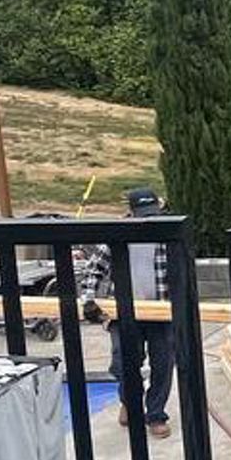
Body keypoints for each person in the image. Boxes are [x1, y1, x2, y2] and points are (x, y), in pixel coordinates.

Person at [73, 187, 179, 440]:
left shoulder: (166, 235)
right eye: (143, 214)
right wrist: (88, 302)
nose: (148, 219)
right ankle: (130, 403)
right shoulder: (116, 236)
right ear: (131, 212)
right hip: (123, 312)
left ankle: (155, 414)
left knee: (163, 364)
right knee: (124, 363)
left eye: (152, 213)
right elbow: (93, 269)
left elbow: (183, 271)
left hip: (160, 312)